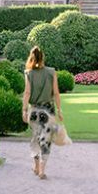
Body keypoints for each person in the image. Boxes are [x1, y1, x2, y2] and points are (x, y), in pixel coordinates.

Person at [22, 46, 62, 180]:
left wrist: (24, 110)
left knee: (35, 138)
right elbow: (56, 93)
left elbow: (27, 93)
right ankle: (42, 170)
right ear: (43, 57)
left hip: (34, 111)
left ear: (31, 57)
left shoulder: (28, 73)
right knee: (46, 140)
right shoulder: (51, 72)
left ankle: (37, 165)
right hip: (48, 110)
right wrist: (60, 110)